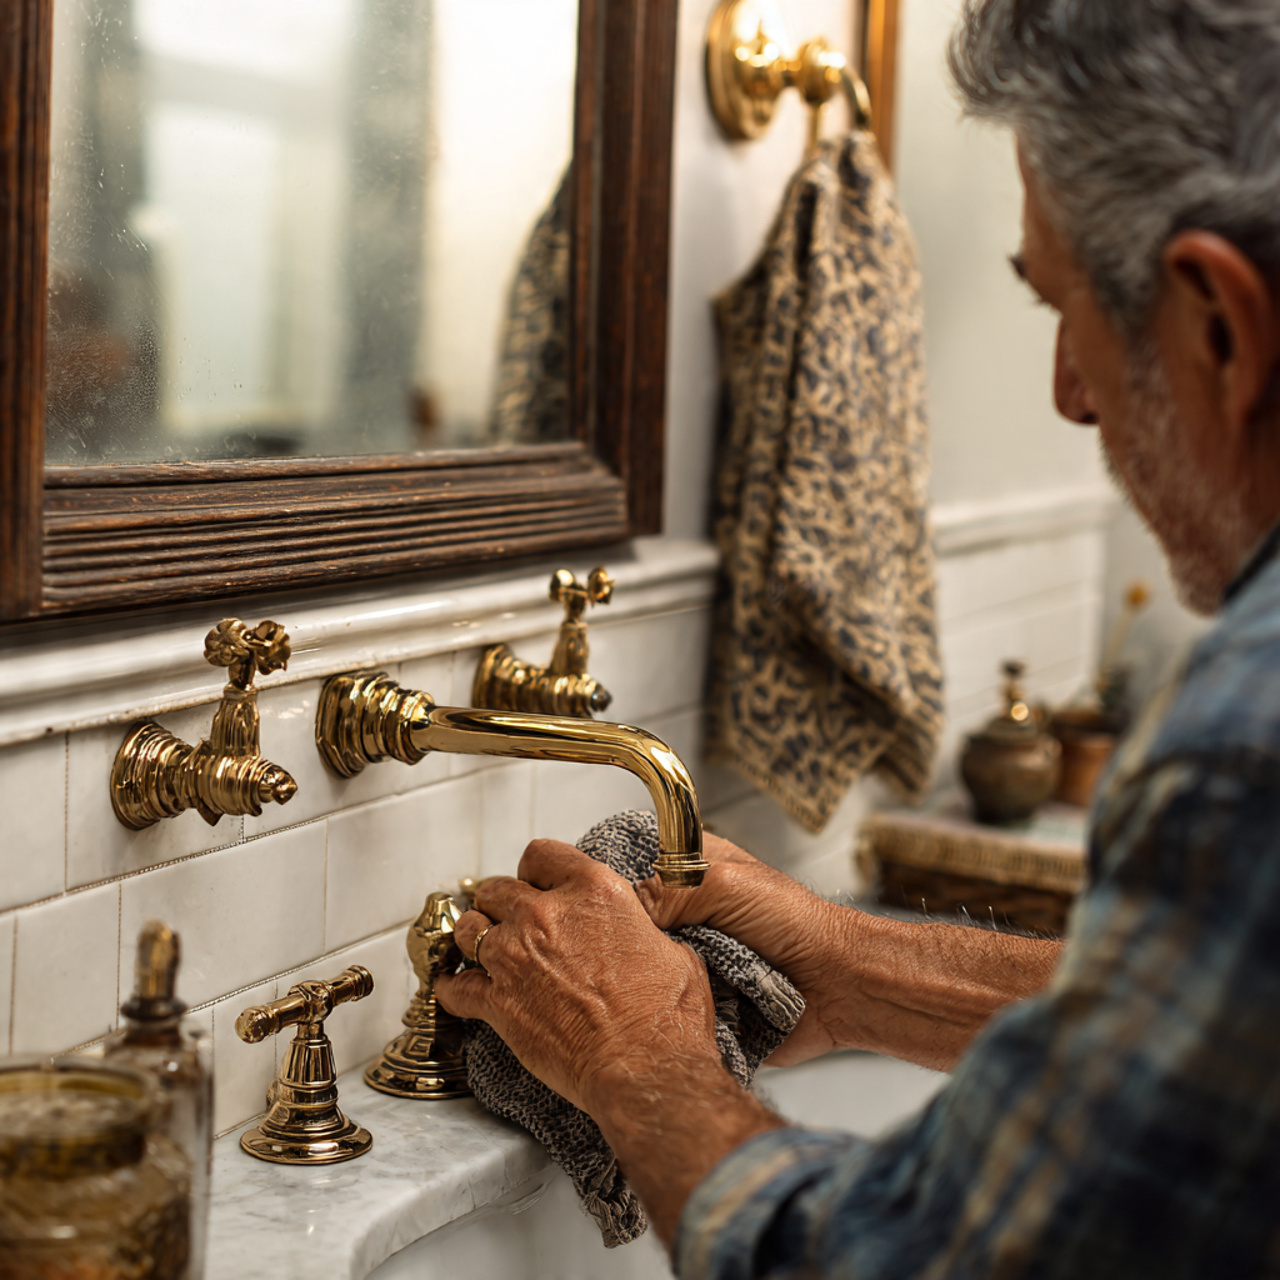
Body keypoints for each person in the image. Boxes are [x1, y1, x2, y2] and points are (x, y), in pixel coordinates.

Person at [437, 1, 1280, 1274]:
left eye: (1065, 311)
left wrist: (639, 1056)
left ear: (1218, 326)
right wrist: (841, 962)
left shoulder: (1243, 741)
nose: (1062, 390)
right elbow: (1230, 1033)